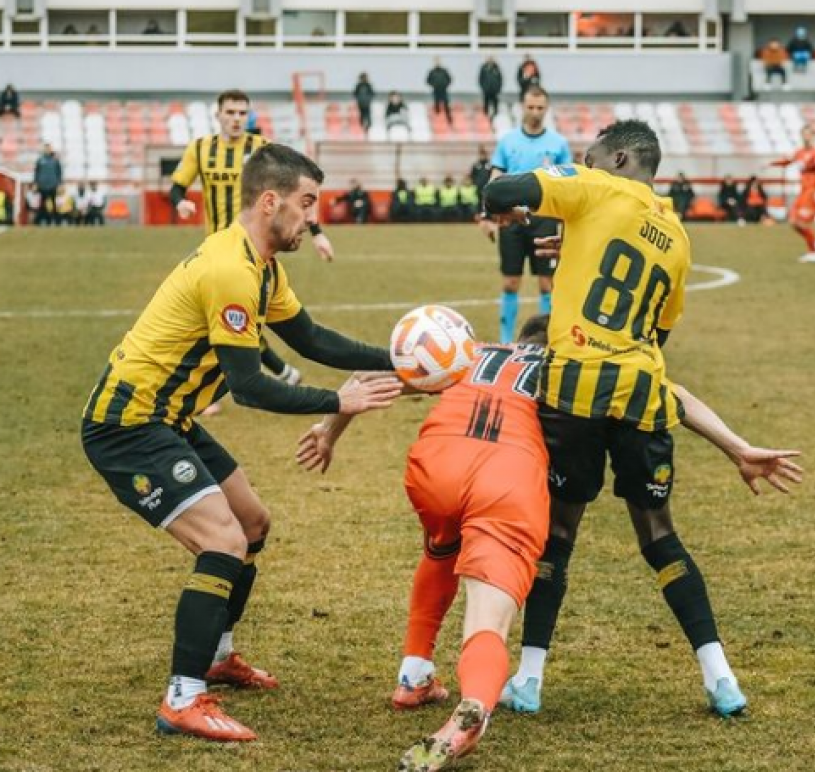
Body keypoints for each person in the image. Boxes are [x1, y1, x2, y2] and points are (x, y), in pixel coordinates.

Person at [80, 143, 403, 743]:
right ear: (270, 200)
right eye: (307, 203)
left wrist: (400, 358)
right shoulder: (230, 268)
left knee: (252, 522)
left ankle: (216, 657)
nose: (312, 216)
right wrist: (339, 401)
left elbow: (309, 338)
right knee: (223, 539)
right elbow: (251, 387)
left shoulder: (263, 266)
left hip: (167, 417)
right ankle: (182, 697)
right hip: (127, 424)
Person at [483, 120, 803, 719]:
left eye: (590, 156)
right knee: (659, 535)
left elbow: (501, 194)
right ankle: (721, 678)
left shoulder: (594, 186)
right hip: (640, 391)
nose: (583, 163)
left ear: (620, 157)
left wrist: (513, 208)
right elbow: (658, 332)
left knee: (557, 537)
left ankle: (527, 680)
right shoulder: (678, 236)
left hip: (575, 389)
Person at [297, 316, 553, 772]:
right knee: (487, 622)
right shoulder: (568, 369)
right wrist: (729, 444)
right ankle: (473, 706)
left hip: (437, 465)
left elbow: (365, 377)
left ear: (517, 340)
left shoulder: (473, 352)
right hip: (507, 478)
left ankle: (413, 675)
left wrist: (327, 432)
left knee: (441, 546)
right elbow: (670, 398)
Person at [169, 89, 335, 398]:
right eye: (230, 112)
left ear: (249, 116)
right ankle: (276, 373)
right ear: (218, 115)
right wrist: (180, 203)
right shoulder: (201, 149)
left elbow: (299, 195)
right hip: (217, 251)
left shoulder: (262, 151)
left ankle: (273, 373)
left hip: (256, 249)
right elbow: (177, 186)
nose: (235, 119)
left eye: (241, 113)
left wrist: (317, 233)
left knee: (243, 319)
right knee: (228, 319)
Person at [480, 85, 571, 343]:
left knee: (547, 284)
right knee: (510, 282)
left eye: (540, 107)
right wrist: (488, 214)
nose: (535, 112)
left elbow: (568, 184)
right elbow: (495, 177)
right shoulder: (508, 141)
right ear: (523, 106)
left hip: (545, 219)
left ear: (547, 108)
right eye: (531, 107)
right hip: (512, 220)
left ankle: (546, 340)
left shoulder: (558, 144)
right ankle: (507, 341)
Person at [770, 124, 815, 263]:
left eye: (809, 134)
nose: (806, 137)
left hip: (812, 192)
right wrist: (772, 163)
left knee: (801, 222)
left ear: (813, 136)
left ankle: (813, 252)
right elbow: (788, 161)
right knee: (793, 221)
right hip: (803, 191)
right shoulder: (800, 152)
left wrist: (810, 163)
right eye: (804, 134)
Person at [33, 143, 62, 226]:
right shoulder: (40, 160)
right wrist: (35, 183)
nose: (47, 150)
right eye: (46, 148)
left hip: (53, 185)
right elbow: (36, 172)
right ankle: (44, 221)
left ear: (51, 149)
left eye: (49, 148)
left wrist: (59, 184)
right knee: (43, 205)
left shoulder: (55, 160)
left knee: (54, 204)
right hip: (42, 186)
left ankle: (56, 222)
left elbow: (59, 173)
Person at [426, 58, 453, 125]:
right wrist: (434, 85)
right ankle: (437, 119)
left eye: (438, 61)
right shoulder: (432, 71)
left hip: (443, 90)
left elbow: (449, 79)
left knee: (446, 104)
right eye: (436, 61)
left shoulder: (444, 71)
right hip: (436, 90)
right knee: (436, 104)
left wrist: (445, 85)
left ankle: (449, 119)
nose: (437, 63)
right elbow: (428, 80)